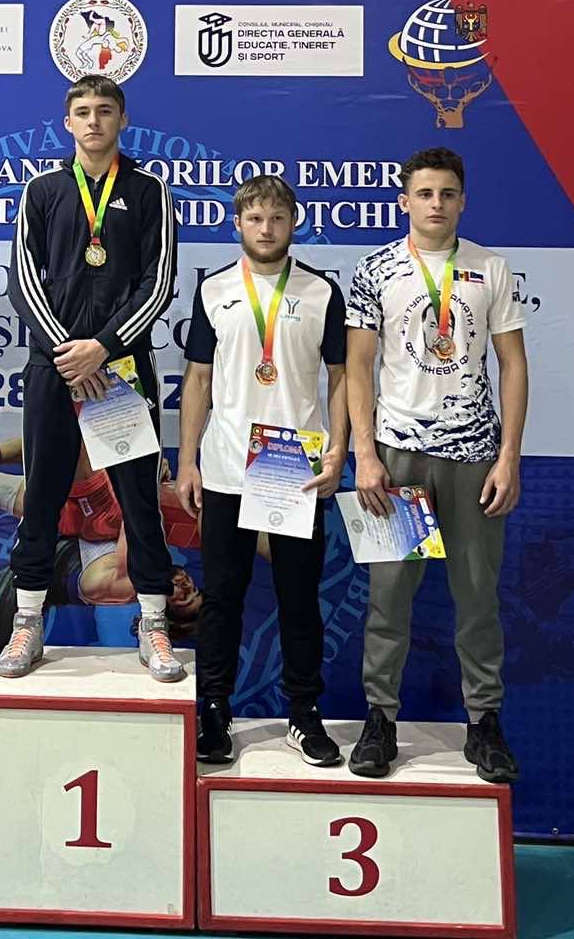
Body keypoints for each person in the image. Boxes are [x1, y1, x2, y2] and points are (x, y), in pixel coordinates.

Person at [345, 146, 528, 783]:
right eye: (424, 193)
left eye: (447, 193)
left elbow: (513, 365)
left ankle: (485, 722)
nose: (436, 204)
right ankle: (379, 720)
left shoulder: (491, 268)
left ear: (463, 201)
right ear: (404, 201)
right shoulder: (375, 270)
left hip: (475, 459)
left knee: (477, 597)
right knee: (389, 597)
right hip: (396, 458)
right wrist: (364, 453)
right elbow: (358, 366)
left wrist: (509, 457)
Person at [0, 74, 181, 680]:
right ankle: (27, 622)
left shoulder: (150, 190)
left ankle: (154, 624)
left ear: (122, 120)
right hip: (54, 369)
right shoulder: (42, 190)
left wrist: (102, 348)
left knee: (140, 501)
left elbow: (158, 283)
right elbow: (24, 279)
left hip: (122, 368)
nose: (94, 120)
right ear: (67, 122)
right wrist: (68, 354)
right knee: (42, 498)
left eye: (105, 110)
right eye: (83, 111)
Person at [178, 174, 349, 765]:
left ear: (293, 222)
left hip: (294, 465)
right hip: (226, 465)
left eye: (277, 218)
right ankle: (214, 711)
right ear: (238, 225)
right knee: (221, 597)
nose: (267, 229)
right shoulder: (214, 290)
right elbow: (198, 378)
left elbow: (342, 378)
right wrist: (187, 461)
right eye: (255, 219)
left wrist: (338, 449)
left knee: (299, 597)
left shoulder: (322, 292)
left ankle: (304, 713)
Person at [0, 461, 202, 676]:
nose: (186, 586)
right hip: (63, 534)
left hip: (13, 596)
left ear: (165, 611)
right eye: (194, 590)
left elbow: (135, 514)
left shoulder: (128, 582)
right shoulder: (153, 558)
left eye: (183, 599)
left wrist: (146, 473)